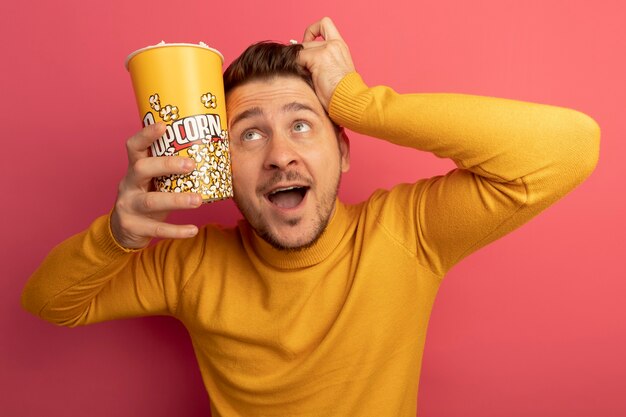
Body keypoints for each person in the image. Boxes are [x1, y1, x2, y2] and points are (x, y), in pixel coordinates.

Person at [22, 17, 600, 417]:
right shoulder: (190, 263)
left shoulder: (408, 232)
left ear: (344, 150)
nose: (279, 155)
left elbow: (570, 147)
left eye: (302, 125)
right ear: (222, 161)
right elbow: (50, 303)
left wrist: (357, 100)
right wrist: (117, 235)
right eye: (250, 134)